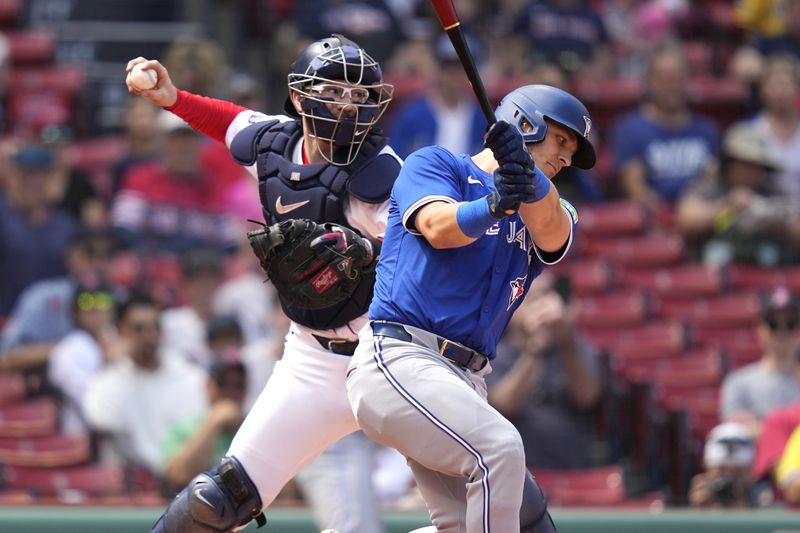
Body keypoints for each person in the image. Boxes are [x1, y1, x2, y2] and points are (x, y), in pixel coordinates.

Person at [129, 34, 401, 533]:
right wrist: (171, 99)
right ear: (299, 96)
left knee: (485, 490)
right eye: (335, 91)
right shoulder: (275, 142)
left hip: (389, 357)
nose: (348, 105)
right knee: (219, 498)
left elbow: (428, 246)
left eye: (360, 96)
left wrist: (372, 251)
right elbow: (228, 121)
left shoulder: (380, 172)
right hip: (312, 361)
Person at [347, 84, 597, 532]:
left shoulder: (555, 207)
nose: (564, 157)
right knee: (499, 448)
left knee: (465, 524)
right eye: (560, 140)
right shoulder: (436, 163)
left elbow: (553, 232)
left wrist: (528, 178)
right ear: (524, 124)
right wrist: (493, 205)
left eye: (571, 150)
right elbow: (438, 226)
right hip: (402, 357)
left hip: (466, 380)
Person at [82, 292, 208, 478]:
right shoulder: (111, 378)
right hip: (135, 488)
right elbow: (98, 417)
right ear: (121, 332)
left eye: (155, 327)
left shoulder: (188, 374)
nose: (149, 336)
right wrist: (111, 364)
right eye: (139, 329)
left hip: (186, 479)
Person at [486, 272, 601, 471]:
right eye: (529, 298)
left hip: (574, 472)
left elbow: (587, 397)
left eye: (545, 296)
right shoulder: (493, 353)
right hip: (515, 475)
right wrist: (536, 348)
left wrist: (566, 342)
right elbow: (505, 404)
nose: (539, 306)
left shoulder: (573, 348)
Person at [611, 44, 719, 209]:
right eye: (664, 78)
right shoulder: (629, 130)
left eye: (677, 78)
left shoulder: (707, 131)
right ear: (649, 82)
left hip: (700, 219)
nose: (671, 85)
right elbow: (637, 192)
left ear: (688, 81)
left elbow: (711, 183)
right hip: (653, 226)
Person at [161, 356, 248, 495]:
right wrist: (214, 422)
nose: (231, 392)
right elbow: (178, 476)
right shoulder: (183, 429)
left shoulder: (255, 429)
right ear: (208, 386)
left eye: (238, 385)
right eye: (222, 383)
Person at [720, 286, 800, 437]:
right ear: (760, 329)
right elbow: (735, 435)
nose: (782, 332)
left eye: (790, 324)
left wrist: (761, 428)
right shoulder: (738, 383)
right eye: (773, 324)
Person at [688, 422, 759, 508]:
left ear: (750, 472)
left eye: (738, 472)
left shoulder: (762, 499)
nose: (728, 478)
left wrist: (746, 502)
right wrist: (697, 508)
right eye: (722, 471)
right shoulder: (701, 496)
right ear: (706, 467)